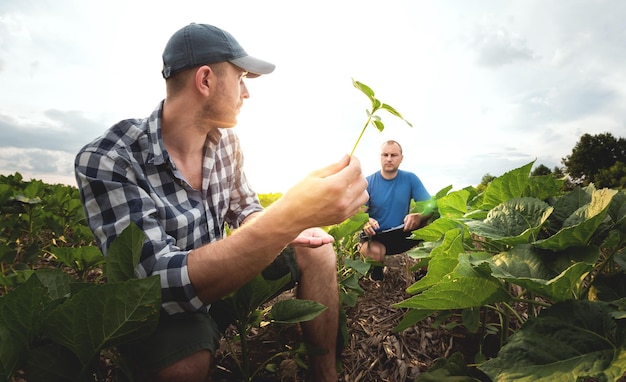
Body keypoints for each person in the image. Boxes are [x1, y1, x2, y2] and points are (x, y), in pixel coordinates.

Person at [74, 23, 368, 382]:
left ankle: (326, 375)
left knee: (317, 246)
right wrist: (287, 215)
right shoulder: (109, 158)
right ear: (205, 80)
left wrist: (292, 225)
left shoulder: (227, 143)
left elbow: (246, 211)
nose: (247, 93)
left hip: (225, 280)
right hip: (165, 311)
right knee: (183, 366)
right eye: (241, 77)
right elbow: (154, 287)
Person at [359, 140, 431, 281]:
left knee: (432, 227)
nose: (389, 159)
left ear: (401, 158)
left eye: (394, 155)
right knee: (375, 253)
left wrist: (419, 216)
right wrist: (366, 221)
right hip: (376, 236)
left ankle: (423, 274)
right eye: (385, 155)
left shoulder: (410, 179)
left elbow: (431, 206)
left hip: (402, 233)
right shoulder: (368, 182)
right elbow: (360, 213)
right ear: (380, 157)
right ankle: (377, 274)